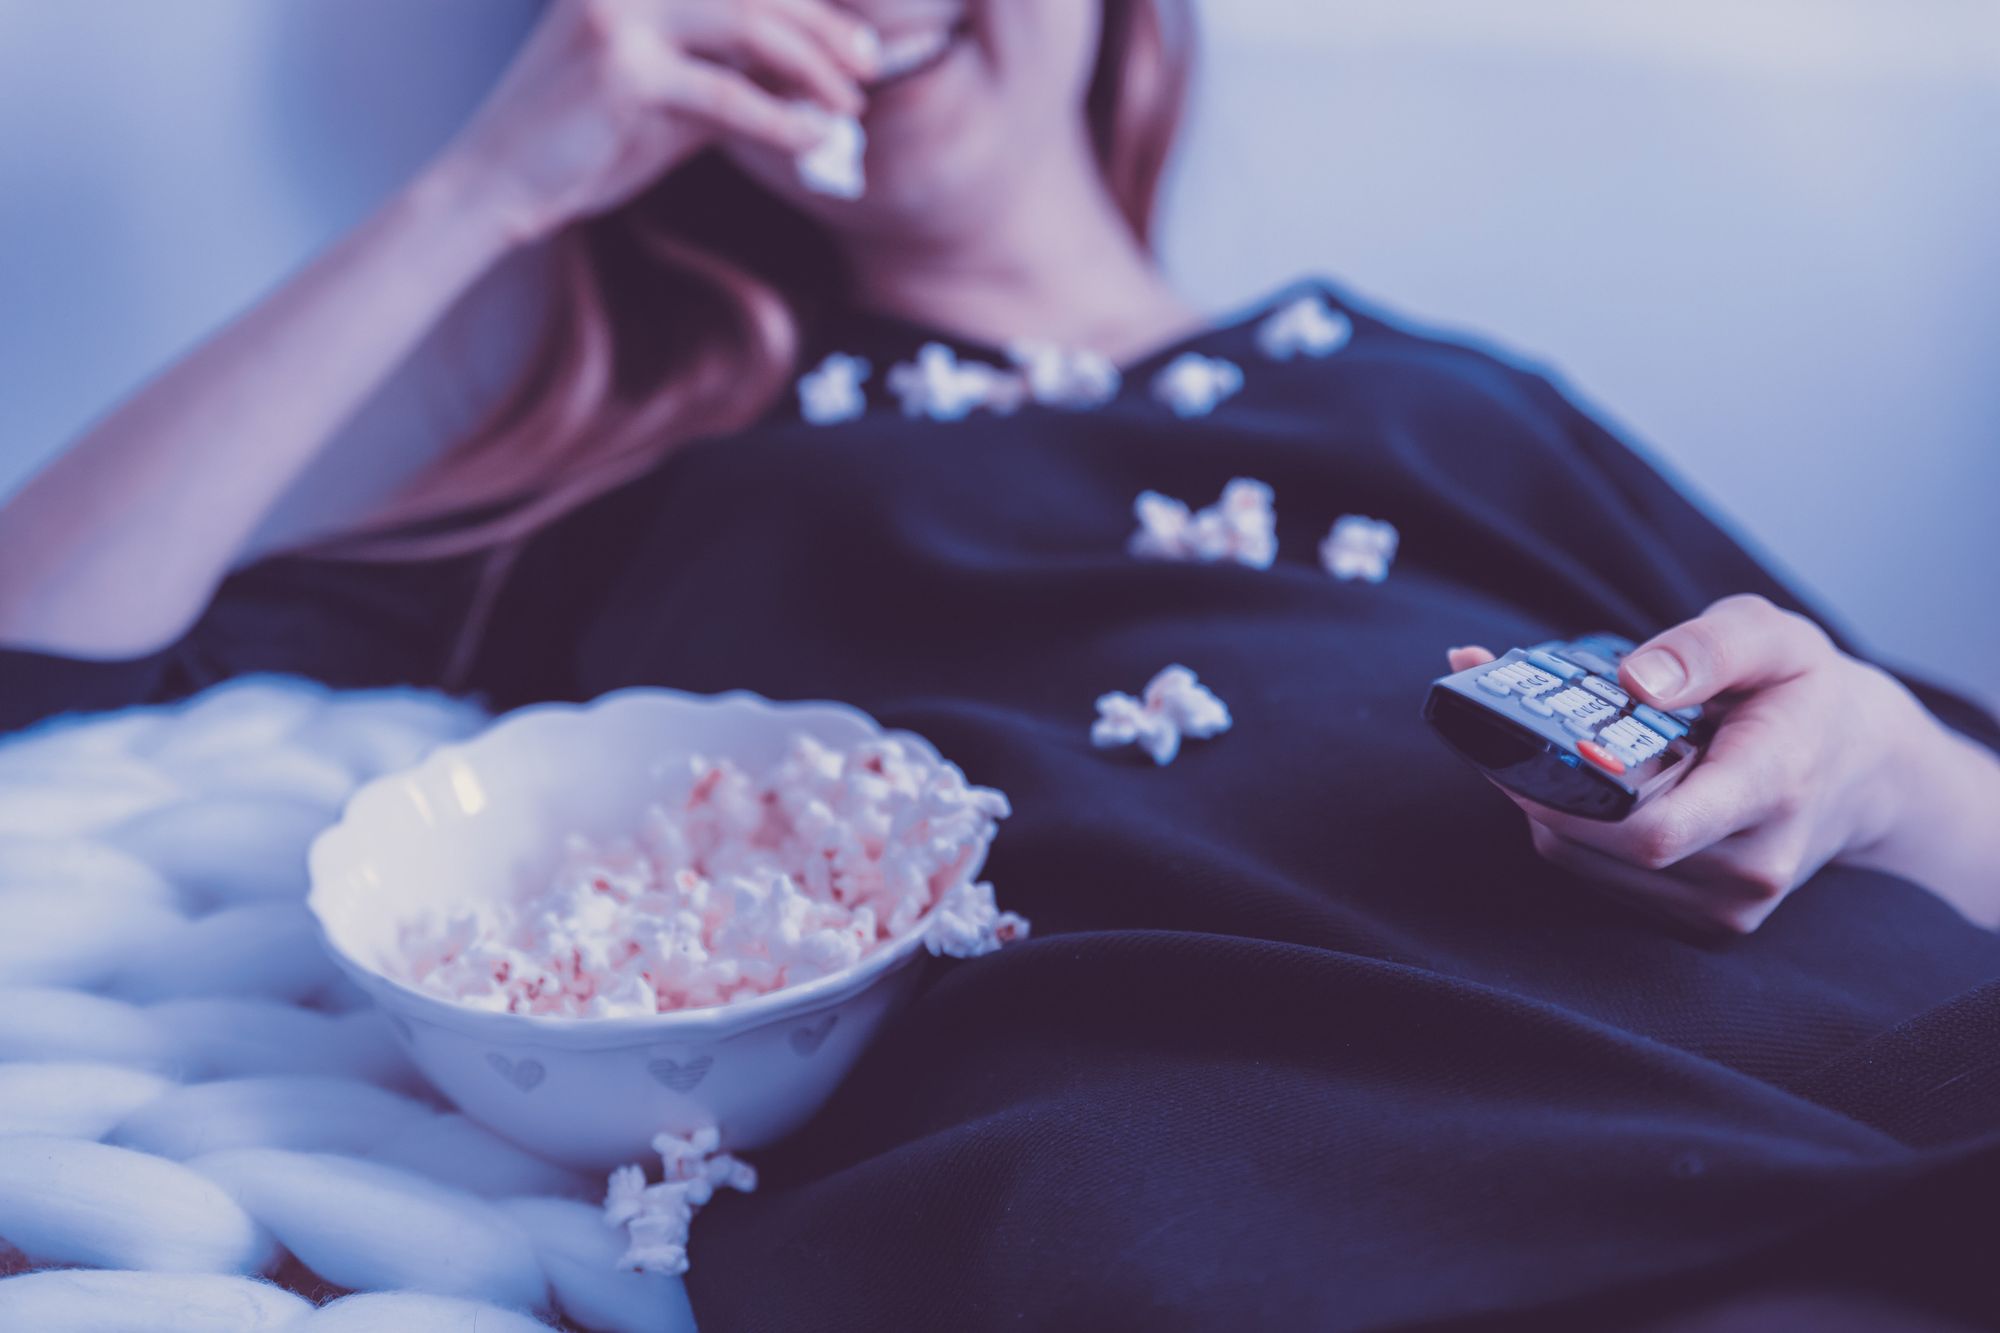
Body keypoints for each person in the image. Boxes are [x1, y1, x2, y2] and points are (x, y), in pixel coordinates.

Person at [3, 1, 1999, 1326]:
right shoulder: (665, 488)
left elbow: (1948, 812)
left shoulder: (1443, 399)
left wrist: (1883, 767)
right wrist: (488, 187)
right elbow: (41, 662)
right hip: (1256, 1177)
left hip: (1849, 1050)